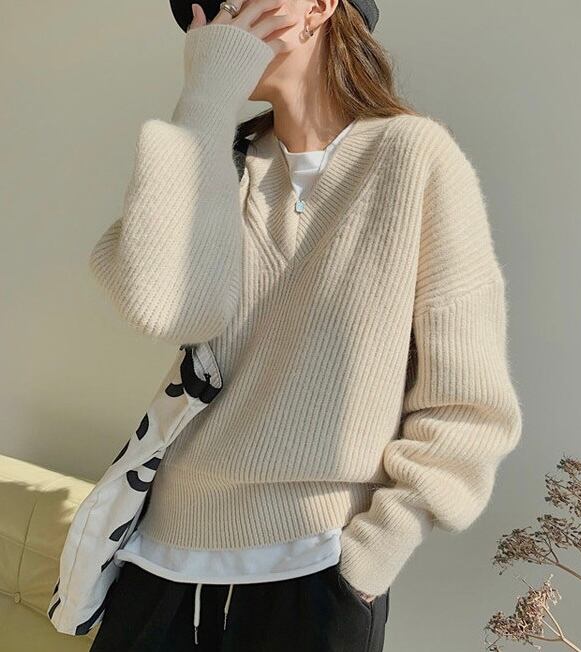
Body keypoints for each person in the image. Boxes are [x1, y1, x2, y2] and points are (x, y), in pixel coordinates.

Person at [87, 0, 523, 650]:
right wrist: (205, 101)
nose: (216, 23)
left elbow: (468, 406)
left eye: (233, 1)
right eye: (207, 12)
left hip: (317, 571)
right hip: (162, 563)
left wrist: (372, 556)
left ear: (319, 6)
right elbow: (164, 307)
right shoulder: (217, 162)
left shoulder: (415, 157)